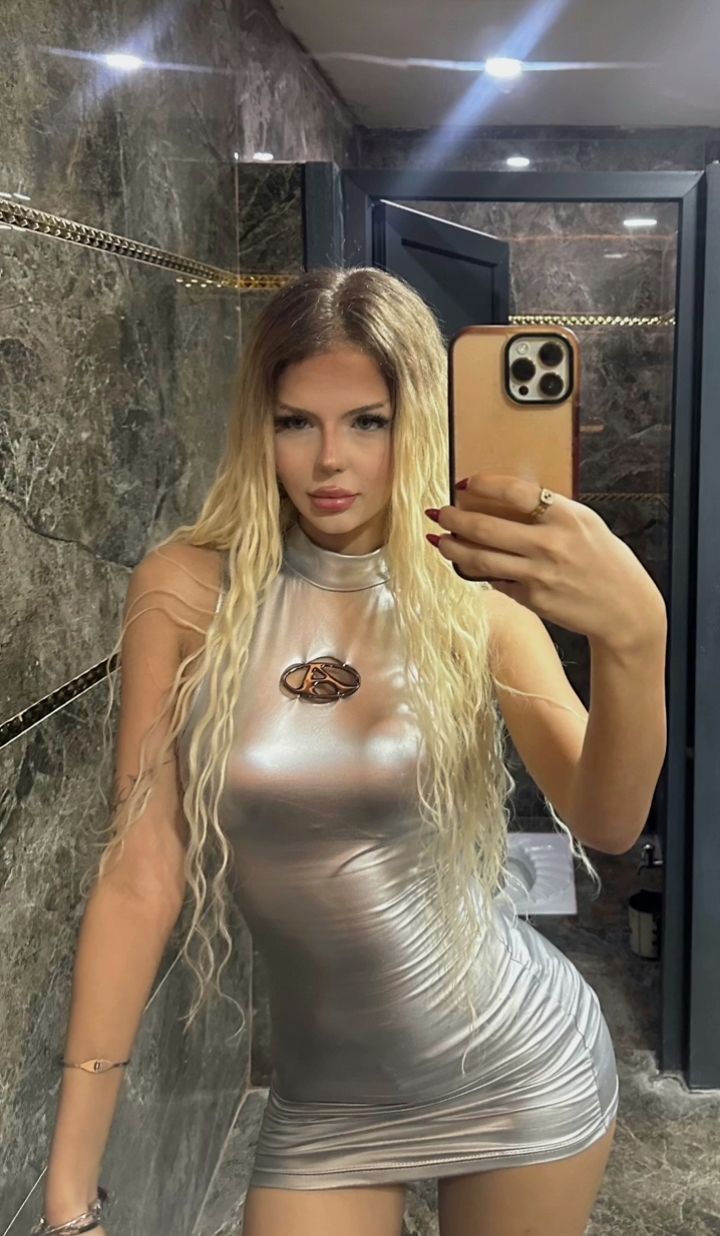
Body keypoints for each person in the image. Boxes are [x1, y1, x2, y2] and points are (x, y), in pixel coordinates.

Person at [34, 266, 667, 1236]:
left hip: (518, 1070)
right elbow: (139, 875)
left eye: (368, 421)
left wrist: (635, 641)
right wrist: (70, 1187)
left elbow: (608, 819)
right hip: (326, 1109)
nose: (330, 459)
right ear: (260, 426)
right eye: (298, 421)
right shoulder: (185, 592)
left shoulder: (471, 600)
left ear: (414, 426)